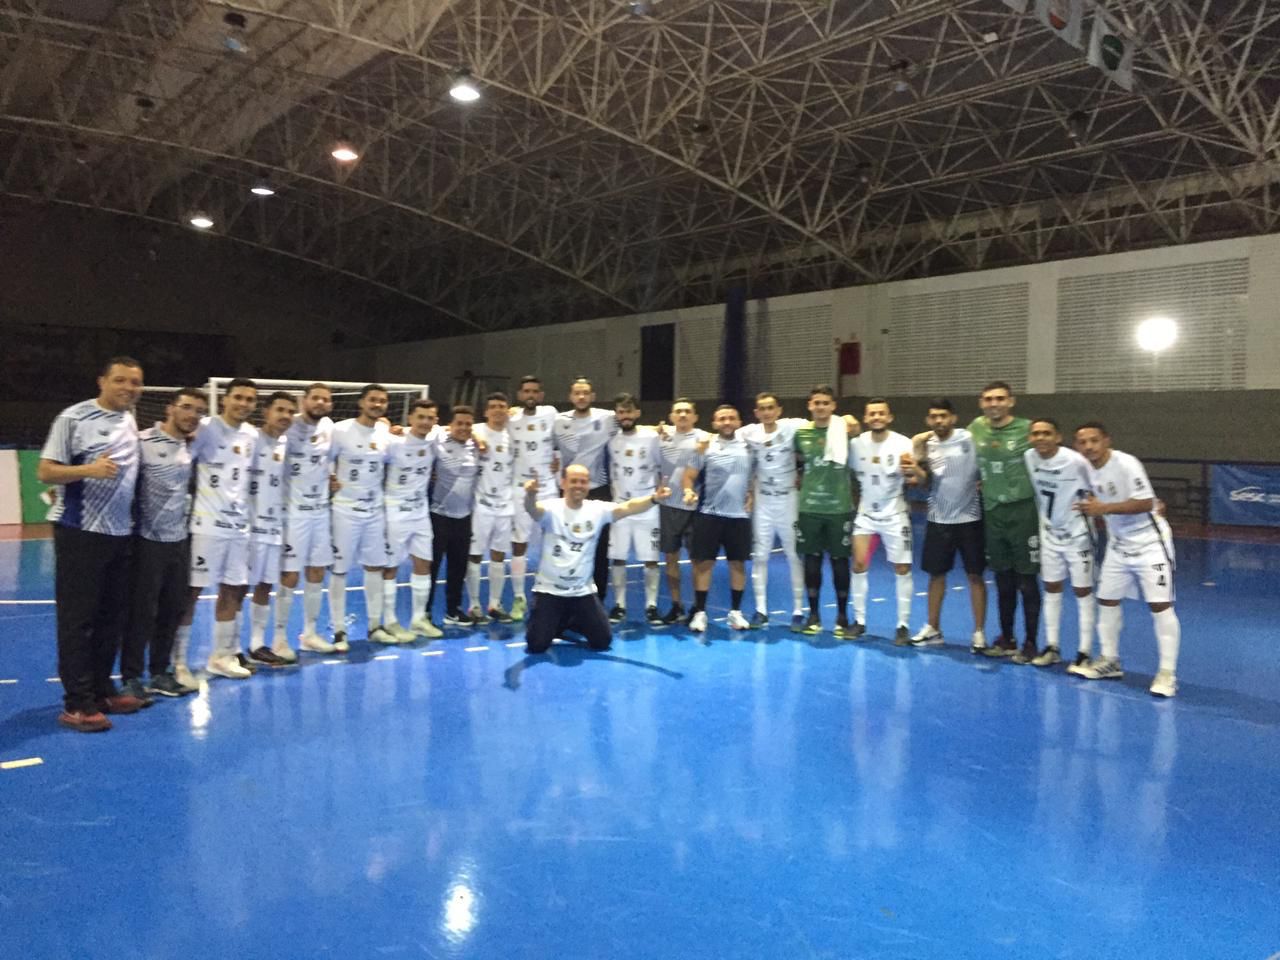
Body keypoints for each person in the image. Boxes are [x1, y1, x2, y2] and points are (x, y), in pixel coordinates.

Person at [39, 356, 145, 731]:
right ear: (101, 381)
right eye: (120, 380)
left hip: (119, 534)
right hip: (80, 532)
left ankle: (101, 690)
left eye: (135, 382)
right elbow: (45, 471)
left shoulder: (130, 420)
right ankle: (77, 704)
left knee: (111, 619)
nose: (128, 388)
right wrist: (88, 470)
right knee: (78, 621)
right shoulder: (74, 419)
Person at [1073, 423, 1181, 697]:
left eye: (1094, 440)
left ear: (1106, 441)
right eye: (1082, 442)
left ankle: (1167, 673)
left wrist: (1103, 508)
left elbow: (1146, 502)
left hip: (1150, 544)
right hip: (1119, 546)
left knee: (1160, 606)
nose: (1088, 446)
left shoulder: (1126, 463)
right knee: (1106, 600)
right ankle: (1110, 661)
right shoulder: (1084, 468)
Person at [521, 466, 671, 654]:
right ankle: (550, 616)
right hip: (550, 590)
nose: (579, 485)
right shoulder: (552, 508)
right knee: (536, 645)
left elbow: (628, 507)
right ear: (563, 483)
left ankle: (568, 617)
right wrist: (530, 495)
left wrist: (654, 499)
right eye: (574, 481)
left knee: (602, 641)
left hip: (582, 591)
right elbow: (533, 509)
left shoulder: (597, 509)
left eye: (583, 481)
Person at [121, 387, 206, 701]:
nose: (192, 415)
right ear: (170, 408)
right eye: (186, 407)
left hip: (180, 541)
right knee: (141, 612)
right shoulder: (142, 442)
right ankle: (131, 676)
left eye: (198, 410)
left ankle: (160, 672)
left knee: (172, 610)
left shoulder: (191, 446)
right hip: (147, 541)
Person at [178, 377, 259, 680]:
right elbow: (181, 453)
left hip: (239, 528)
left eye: (250, 399)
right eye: (238, 397)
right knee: (191, 593)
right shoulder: (206, 427)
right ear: (224, 399)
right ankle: (178, 662)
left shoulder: (252, 435)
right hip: (206, 526)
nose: (244, 404)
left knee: (233, 590)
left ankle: (221, 657)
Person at [902, 399, 986, 650]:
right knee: (935, 575)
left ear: (953, 418)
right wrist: (916, 467)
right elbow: (927, 483)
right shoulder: (927, 445)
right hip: (938, 518)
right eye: (934, 416)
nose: (939, 420)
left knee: (975, 576)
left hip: (970, 519)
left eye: (943, 416)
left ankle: (979, 633)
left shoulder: (968, 438)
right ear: (929, 420)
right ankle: (933, 629)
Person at [968, 381, 1039, 658]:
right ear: (981, 402)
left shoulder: (1027, 429)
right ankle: (1007, 638)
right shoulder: (976, 428)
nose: (993, 403)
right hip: (993, 512)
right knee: (1002, 579)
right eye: (988, 399)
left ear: (1011, 401)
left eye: (999, 398)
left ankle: (1031, 642)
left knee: (1027, 580)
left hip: (1023, 511)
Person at [1024, 418, 1096, 670]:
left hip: (1078, 536)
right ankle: (1052, 646)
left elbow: (1097, 486)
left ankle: (1084, 651)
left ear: (1057, 437)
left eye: (1046, 433)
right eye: (1035, 434)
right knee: (1051, 588)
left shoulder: (1076, 461)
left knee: (1082, 591)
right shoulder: (1029, 457)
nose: (1041, 438)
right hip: (1049, 535)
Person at [329, 384, 394, 648]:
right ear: (361, 402)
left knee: (375, 567)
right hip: (345, 511)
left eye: (382, 401)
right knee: (340, 570)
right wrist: (331, 478)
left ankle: (374, 625)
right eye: (373, 400)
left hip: (374, 511)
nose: (377, 405)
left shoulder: (385, 432)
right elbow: (325, 459)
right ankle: (339, 631)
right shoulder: (340, 430)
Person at [846, 399, 916, 643]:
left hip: (895, 514)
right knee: (858, 565)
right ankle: (860, 621)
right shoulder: (856, 445)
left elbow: (912, 476)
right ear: (866, 418)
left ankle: (902, 625)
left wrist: (912, 473)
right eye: (872, 413)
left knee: (902, 568)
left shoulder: (902, 443)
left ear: (889, 417)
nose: (876, 417)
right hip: (866, 514)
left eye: (881, 413)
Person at [739, 392, 809, 629]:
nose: (767, 412)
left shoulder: (793, 426)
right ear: (756, 413)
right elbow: (718, 434)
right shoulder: (749, 432)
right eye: (762, 408)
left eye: (771, 407)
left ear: (779, 410)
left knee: (793, 554)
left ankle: (798, 610)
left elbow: (826, 423)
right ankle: (760, 609)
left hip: (788, 500)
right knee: (760, 556)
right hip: (764, 502)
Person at [685, 405, 754, 633]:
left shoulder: (748, 446)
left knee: (738, 564)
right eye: (722, 419)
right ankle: (700, 613)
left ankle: (735, 613)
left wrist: (752, 491)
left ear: (739, 422)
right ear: (714, 423)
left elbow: (753, 474)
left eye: (731, 418)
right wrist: (688, 491)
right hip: (709, 513)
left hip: (739, 516)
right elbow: (689, 477)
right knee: (705, 564)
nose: (727, 422)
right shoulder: (704, 447)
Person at [278, 383, 337, 654]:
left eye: (325, 399)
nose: (320, 403)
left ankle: (310, 633)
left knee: (316, 572)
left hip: (321, 513)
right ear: (305, 401)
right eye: (316, 398)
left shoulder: (330, 428)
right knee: (289, 574)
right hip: (294, 513)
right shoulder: (287, 427)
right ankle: (280, 638)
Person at [792, 385, 855, 635]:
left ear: (833, 406)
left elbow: (857, 427)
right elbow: (797, 460)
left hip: (839, 508)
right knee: (812, 560)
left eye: (825, 403)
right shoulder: (801, 433)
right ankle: (814, 614)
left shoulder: (844, 430)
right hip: (810, 507)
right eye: (816, 402)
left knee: (840, 561)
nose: (820, 407)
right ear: (810, 406)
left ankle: (842, 616)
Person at [243, 391, 299, 665]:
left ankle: (256, 645)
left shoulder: (286, 444)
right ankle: (227, 648)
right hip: (246, 528)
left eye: (290, 412)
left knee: (265, 584)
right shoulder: (249, 439)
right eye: (280, 410)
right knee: (236, 587)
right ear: (266, 411)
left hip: (273, 526)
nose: (285, 416)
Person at [552, 378, 618, 599]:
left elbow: (633, 423)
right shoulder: (558, 421)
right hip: (569, 492)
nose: (581, 397)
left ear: (592, 396)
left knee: (599, 548)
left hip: (598, 490)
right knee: (567, 546)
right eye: (577, 393)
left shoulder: (607, 418)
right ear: (571, 397)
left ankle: (597, 600)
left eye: (586, 393)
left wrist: (662, 428)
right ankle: (565, 595)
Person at [383, 399, 443, 639]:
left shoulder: (434, 439)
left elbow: (462, 429)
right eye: (421, 417)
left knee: (423, 564)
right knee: (390, 568)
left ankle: (419, 619)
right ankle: (389, 621)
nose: (425, 422)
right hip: (394, 513)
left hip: (420, 514)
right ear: (410, 419)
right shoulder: (393, 443)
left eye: (430, 418)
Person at [605, 394, 662, 625]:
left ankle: (652, 605)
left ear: (638, 413)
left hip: (648, 507)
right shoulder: (611, 440)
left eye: (629, 412)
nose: (625, 416)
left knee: (650, 558)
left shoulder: (653, 437)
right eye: (620, 412)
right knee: (617, 557)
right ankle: (619, 605)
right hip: (620, 508)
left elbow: (661, 466)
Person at [507, 375, 560, 621]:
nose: (530, 395)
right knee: (520, 543)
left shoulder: (551, 413)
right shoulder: (510, 418)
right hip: (519, 489)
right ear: (520, 395)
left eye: (535, 391)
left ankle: (545, 595)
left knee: (550, 542)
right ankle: (519, 598)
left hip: (547, 488)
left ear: (540, 395)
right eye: (526, 391)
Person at [655, 398, 706, 624]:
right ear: (671, 416)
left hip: (695, 509)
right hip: (668, 507)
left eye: (687, 411)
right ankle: (676, 605)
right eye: (678, 411)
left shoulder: (705, 439)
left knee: (697, 560)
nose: (683, 415)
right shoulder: (661, 438)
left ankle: (698, 607)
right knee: (671, 558)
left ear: (695, 417)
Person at [429, 405, 481, 625]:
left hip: (464, 517)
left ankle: (453, 610)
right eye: (459, 423)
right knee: (432, 566)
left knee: (458, 567)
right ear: (450, 425)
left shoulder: (477, 447)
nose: (464, 427)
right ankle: (424, 612)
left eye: (468, 424)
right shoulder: (437, 441)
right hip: (438, 514)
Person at [469, 392, 516, 622]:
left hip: (505, 505)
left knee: (499, 556)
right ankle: (474, 605)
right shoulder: (476, 430)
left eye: (502, 406)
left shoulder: (513, 436)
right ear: (486, 411)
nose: (498, 410)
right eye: (493, 406)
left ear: (507, 410)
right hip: (481, 504)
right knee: (475, 555)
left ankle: (495, 605)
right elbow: (449, 429)